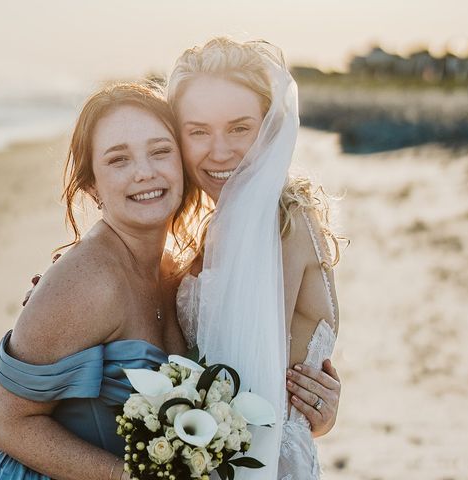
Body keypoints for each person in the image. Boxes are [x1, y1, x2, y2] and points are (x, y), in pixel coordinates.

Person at [0, 83, 189, 480]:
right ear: (92, 186)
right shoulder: (88, 279)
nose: (145, 172)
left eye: (160, 151)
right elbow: (7, 424)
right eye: (118, 160)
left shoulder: (173, 271)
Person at [167, 37, 343, 478]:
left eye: (240, 128)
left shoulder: (280, 224)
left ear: (270, 128)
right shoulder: (228, 222)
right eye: (199, 131)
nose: (220, 151)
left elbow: (250, 390)